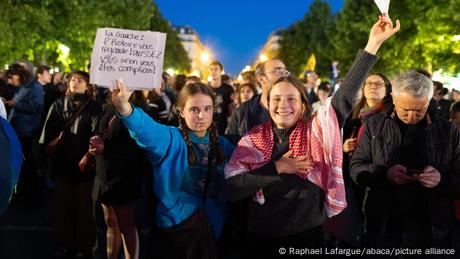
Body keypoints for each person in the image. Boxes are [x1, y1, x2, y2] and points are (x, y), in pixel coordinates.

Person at [225, 15, 400, 258]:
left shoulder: (316, 131)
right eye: (276, 99)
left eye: (291, 99)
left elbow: (345, 96)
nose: (282, 105)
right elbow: (232, 188)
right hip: (259, 239)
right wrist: (277, 167)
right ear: (267, 103)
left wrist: (373, 44)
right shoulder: (252, 140)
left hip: (308, 237)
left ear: (303, 106)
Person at [111, 81, 234, 259]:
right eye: (194, 109)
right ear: (181, 111)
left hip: (213, 230)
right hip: (177, 231)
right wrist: (125, 108)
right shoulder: (171, 139)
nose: (201, 115)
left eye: (207, 109)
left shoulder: (223, 145)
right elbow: (147, 129)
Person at [350, 70, 460, 252]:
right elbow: (355, 168)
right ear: (393, 98)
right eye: (405, 109)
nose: (411, 116)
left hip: (433, 226)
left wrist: (441, 180)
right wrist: (384, 174)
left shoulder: (448, 131)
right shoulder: (373, 125)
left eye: (419, 110)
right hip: (384, 223)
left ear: (429, 100)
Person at [40, 71, 101, 259]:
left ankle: (84, 247)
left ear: (88, 85)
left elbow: (96, 134)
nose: (75, 82)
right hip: (63, 165)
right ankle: (64, 245)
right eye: (73, 79)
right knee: (63, 208)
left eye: (80, 80)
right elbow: (47, 134)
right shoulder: (58, 105)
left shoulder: (94, 107)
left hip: (85, 168)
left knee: (85, 210)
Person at [91, 91, 150, 259]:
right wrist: (94, 141)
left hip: (125, 175)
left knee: (126, 224)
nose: (116, 89)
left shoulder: (138, 111)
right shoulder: (109, 107)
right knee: (110, 221)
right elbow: (99, 129)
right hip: (104, 172)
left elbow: (139, 147)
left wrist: (106, 149)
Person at [5, 63, 45, 207]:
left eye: (11, 77)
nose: (10, 81)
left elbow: (37, 107)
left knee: (28, 165)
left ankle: (30, 197)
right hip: (20, 130)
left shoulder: (35, 87)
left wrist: (15, 104)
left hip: (28, 131)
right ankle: (23, 195)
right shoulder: (24, 87)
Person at [225, 58, 289, 144]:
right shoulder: (242, 111)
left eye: (285, 71)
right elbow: (229, 147)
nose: (284, 75)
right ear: (261, 79)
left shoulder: (296, 109)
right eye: (277, 70)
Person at [208, 61, 236, 135]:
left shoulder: (228, 88)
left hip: (223, 126)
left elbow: (232, 108)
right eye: (211, 69)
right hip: (207, 126)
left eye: (216, 69)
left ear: (221, 71)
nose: (213, 72)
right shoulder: (205, 88)